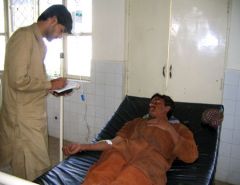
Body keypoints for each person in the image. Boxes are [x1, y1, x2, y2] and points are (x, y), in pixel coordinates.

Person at [0, 5, 72, 180]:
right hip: (23, 116)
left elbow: (31, 78)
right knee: (33, 164)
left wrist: (51, 88)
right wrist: (50, 84)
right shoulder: (24, 37)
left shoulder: (38, 41)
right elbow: (17, 80)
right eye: (60, 30)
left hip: (33, 111)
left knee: (32, 162)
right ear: (53, 20)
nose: (59, 36)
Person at [63, 93, 199, 185]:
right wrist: (83, 146)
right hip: (122, 151)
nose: (151, 105)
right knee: (101, 173)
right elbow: (113, 142)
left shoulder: (178, 129)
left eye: (156, 102)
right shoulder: (136, 122)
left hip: (150, 162)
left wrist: (168, 128)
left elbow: (191, 156)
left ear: (167, 108)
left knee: (130, 176)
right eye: (150, 103)